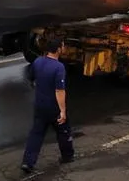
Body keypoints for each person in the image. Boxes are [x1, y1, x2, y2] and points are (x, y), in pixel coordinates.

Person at [21, 38, 75, 173]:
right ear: (58, 50)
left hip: (39, 105)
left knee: (36, 134)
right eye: (62, 47)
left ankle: (28, 162)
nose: (63, 49)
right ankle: (67, 156)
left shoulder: (38, 61)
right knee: (63, 132)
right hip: (54, 108)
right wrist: (62, 111)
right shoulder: (59, 67)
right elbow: (59, 91)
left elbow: (31, 77)